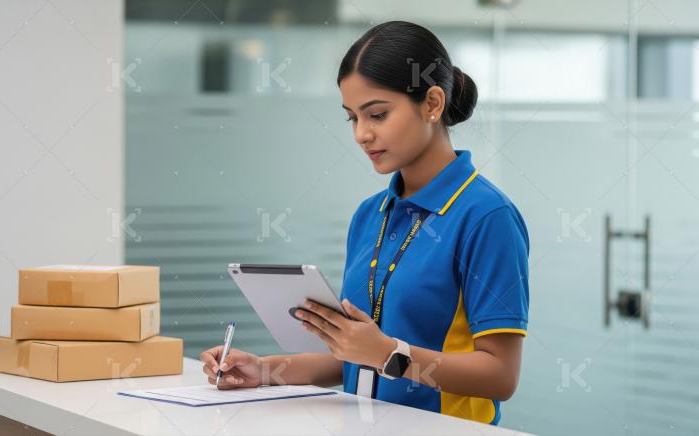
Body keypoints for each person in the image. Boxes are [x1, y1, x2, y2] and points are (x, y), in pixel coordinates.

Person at [200, 20, 529, 426]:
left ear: (432, 103)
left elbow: (500, 376)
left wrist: (389, 353)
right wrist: (265, 370)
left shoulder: (486, 216)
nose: (361, 134)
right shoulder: (370, 214)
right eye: (352, 118)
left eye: (377, 114)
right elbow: (353, 357)